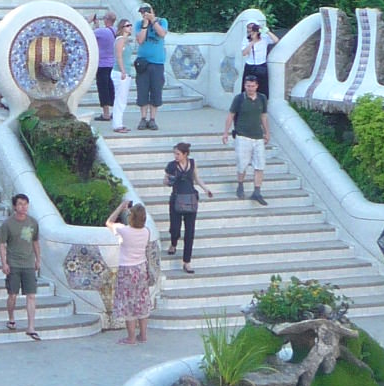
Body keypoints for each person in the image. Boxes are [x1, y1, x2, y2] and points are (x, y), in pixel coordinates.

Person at [105, 198, 152, 345]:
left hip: (127, 270)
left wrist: (121, 207)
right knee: (141, 302)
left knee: (129, 303)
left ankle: (131, 338)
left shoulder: (124, 231)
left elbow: (109, 222)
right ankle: (143, 335)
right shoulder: (146, 232)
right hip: (141, 269)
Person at [164, 142, 213, 274]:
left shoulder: (192, 163)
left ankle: (187, 261)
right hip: (176, 199)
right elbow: (165, 180)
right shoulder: (171, 165)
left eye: (178, 154)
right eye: (175, 153)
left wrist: (206, 189)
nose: (176, 156)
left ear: (185, 154)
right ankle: (173, 243)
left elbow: (197, 179)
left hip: (190, 199)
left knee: (190, 232)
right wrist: (170, 181)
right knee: (175, 227)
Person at [0, 193, 42, 339]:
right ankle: (11, 318)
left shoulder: (33, 223)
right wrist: (4, 263)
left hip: (28, 263)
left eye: (25, 204)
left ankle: (31, 326)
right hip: (14, 263)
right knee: (12, 295)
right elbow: (2, 245)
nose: (23, 207)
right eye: (20, 204)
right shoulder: (7, 224)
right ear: (15, 207)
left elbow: (35, 242)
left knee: (31, 295)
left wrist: (38, 260)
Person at [223, 75, 271, 204]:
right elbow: (231, 115)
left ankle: (257, 191)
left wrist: (267, 132)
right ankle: (240, 184)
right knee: (242, 164)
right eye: (248, 86)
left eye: (252, 86)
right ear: (245, 86)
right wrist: (225, 132)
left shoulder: (262, 98)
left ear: (257, 86)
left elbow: (264, 116)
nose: (250, 88)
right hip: (242, 136)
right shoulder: (239, 99)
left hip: (258, 136)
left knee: (260, 165)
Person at [133, 7, 168, 130]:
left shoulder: (162, 21)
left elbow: (162, 33)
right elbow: (140, 40)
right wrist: (145, 25)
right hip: (143, 63)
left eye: (146, 12)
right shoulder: (139, 24)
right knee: (142, 91)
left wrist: (153, 21)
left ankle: (152, 119)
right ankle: (143, 118)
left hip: (157, 63)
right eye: (142, 12)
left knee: (155, 91)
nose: (144, 14)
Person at [240, 17, 275, 96]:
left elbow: (276, 40)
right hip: (250, 65)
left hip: (261, 65)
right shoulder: (246, 39)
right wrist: (252, 41)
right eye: (249, 27)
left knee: (262, 88)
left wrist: (266, 31)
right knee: (248, 87)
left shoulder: (264, 38)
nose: (251, 29)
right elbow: (244, 53)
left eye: (253, 27)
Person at [93, 14, 117, 123]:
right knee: (110, 87)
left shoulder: (102, 31)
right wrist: (97, 25)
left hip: (102, 64)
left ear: (107, 20)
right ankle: (113, 111)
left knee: (103, 89)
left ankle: (106, 113)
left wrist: (91, 21)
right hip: (112, 63)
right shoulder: (115, 30)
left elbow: (90, 35)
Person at [110, 21, 133, 132]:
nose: (130, 28)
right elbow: (119, 57)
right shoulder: (120, 40)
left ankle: (119, 123)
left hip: (126, 71)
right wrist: (123, 71)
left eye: (130, 26)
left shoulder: (126, 41)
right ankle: (117, 125)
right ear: (122, 28)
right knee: (119, 99)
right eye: (127, 26)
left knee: (122, 99)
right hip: (120, 72)